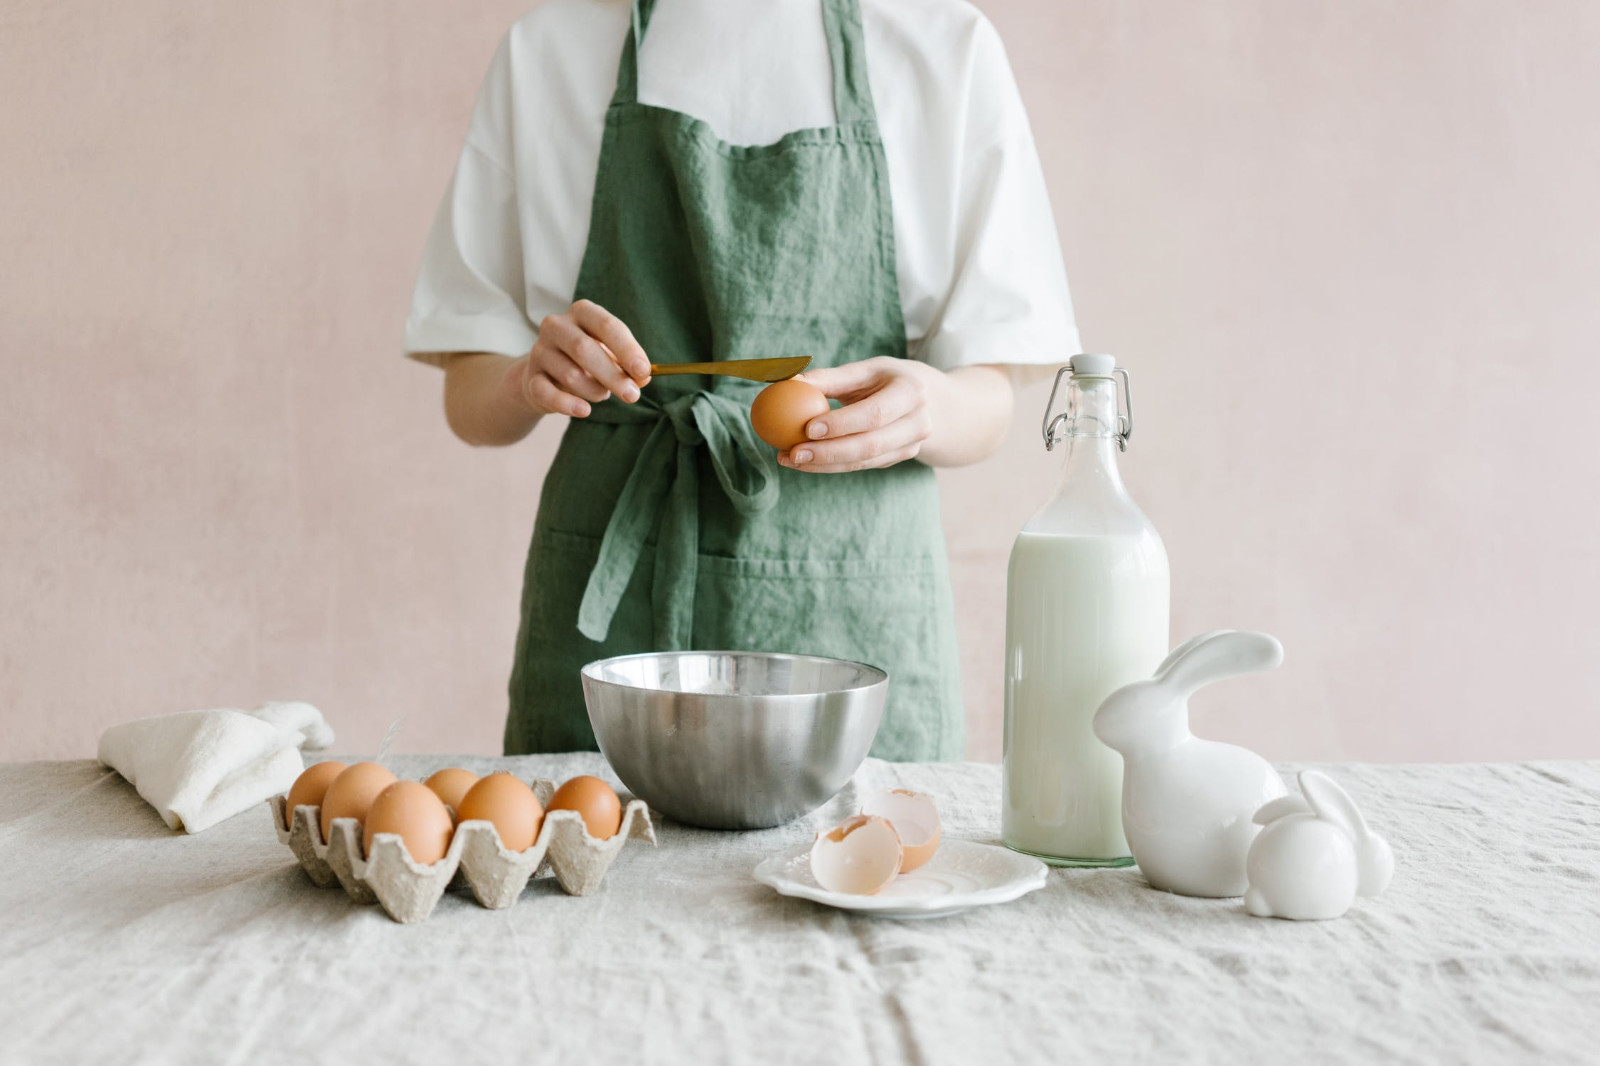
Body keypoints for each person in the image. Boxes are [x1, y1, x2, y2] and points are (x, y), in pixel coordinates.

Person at [403, 0, 1080, 760]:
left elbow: (988, 398)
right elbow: (470, 396)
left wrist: (931, 407)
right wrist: (527, 380)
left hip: (853, 599)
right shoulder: (548, 52)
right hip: (614, 612)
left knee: (861, 855)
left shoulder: (941, 48)